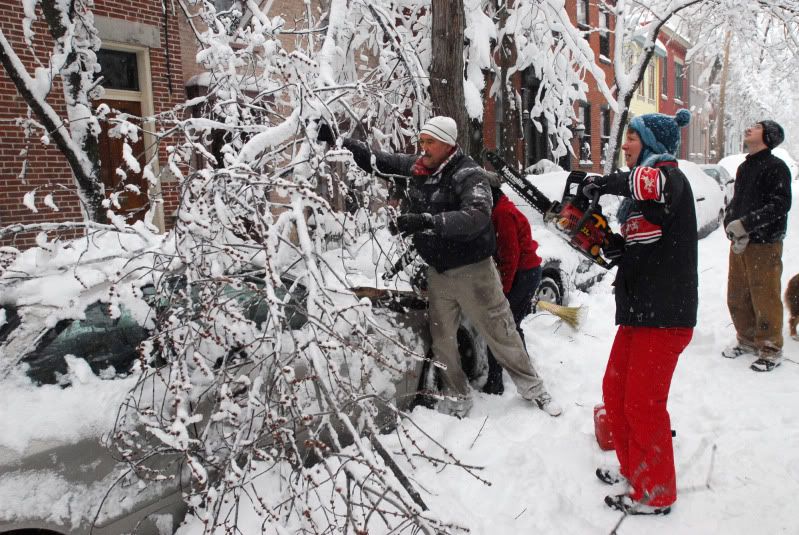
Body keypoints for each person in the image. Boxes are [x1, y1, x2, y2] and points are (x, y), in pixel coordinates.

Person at [317, 116, 561, 417]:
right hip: (440, 272)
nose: (424, 147)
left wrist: (428, 222)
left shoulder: (469, 174)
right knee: (443, 339)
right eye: (422, 141)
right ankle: (459, 395)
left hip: (475, 271)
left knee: (501, 333)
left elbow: (477, 215)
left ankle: (536, 390)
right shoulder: (419, 168)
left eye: (430, 142)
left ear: (448, 143)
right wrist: (338, 139)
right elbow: (377, 161)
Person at [580, 109, 697, 515]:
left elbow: (650, 184)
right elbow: (642, 249)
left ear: (651, 143)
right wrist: (612, 247)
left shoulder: (668, 177)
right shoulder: (638, 202)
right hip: (639, 312)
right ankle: (635, 471)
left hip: (665, 315)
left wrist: (605, 181)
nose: (625, 144)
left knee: (643, 404)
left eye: (632, 137)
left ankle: (657, 491)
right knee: (616, 392)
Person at [722, 120, 791, 372]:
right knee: (738, 294)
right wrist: (730, 222)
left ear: (769, 136)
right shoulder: (744, 168)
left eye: (757, 126)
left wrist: (748, 224)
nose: (749, 128)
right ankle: (747, 339)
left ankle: (770, 348)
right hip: (741, 243)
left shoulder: (776, 167)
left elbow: (780, 205)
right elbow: (737, 201)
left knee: (765, 296)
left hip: (765, 243)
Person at [482, 173, 543, 396]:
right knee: (511, 326)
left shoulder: (503, 214)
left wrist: (503, 291)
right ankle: (526, 371)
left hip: (523, 274)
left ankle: (495, 383)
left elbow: (510, 256)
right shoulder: (499, 210)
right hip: (526, 271)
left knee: (500, 326)